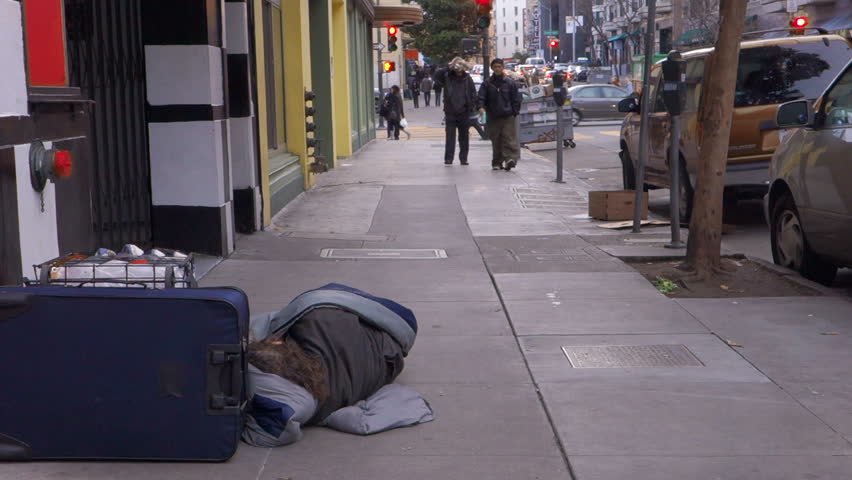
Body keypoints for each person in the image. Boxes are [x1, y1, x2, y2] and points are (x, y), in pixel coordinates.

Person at [478, 58, 522, 171]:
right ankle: (497, 162)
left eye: (499, 66)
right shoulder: (487, 83)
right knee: (496, 140)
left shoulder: (510, 82)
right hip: (493, 116)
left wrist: (514, 111)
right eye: (495, 66)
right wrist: (481, 107)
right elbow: (481, 97)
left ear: (503, 68)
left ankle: (510, 159)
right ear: (492, 68)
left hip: (508, 116)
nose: (497, 68)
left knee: (509, 138)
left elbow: (516, 98)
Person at [434, 57, 477, 166]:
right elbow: (436, 76)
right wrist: (448, 68)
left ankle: (463, 158)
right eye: (456, 66)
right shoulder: (447, 77)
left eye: (460, 66)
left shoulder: (468, 79)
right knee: (450, 137)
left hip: (464, 111)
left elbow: (473, 93)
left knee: (464, 137)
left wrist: (471, 106)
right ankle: (448, 158)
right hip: (451, 111)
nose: (458, 68)